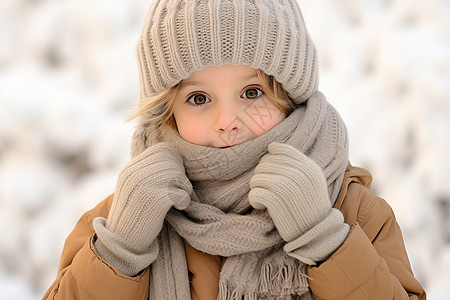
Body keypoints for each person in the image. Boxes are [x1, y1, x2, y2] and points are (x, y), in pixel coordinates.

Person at [43, 0, 426, 299]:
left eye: (252, 92)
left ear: (289, 96)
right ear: (166, 111)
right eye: (198, 98)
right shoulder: (120, 220)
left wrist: (325, 241)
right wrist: (119, 253)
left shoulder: (351, 211)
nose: (227, 120)